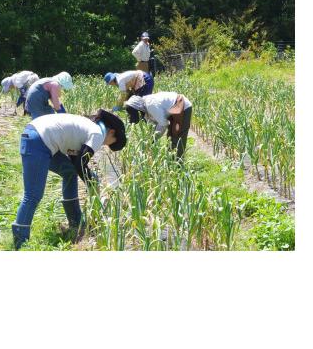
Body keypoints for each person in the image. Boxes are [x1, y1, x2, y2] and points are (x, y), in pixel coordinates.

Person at [12, 109, 127, 249]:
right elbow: (80, 163)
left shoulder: (90, 128)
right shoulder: (97, 134)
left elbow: (75, 162)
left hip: (37, 136)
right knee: (33, 195)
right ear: (112, 132)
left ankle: (75, 222)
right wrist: (91, 182)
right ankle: (20, 241)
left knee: (70, 172)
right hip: (39, 141)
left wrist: (90, 179)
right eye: (109, 143)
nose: (105, 145)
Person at [125, 91, 192, 158]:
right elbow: (154, 125)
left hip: (181, 105)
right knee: (171, 134)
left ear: (138, 110)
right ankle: (171, 159)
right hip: (171, 108)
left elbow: (163, 124)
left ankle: (177, 163)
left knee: (178, 135)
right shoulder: (144, 105)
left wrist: (152, 140)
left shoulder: (151, 105)